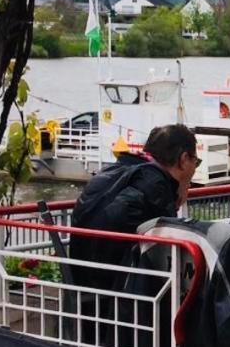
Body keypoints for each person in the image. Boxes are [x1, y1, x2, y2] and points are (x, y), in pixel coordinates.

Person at [70, 123, 199, 289]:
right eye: (196, 161)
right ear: (184, 159)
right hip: (119, 288)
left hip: (81, 279)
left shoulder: (112, 171)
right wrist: (180, 190)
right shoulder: (156, 184)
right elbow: (167, 248)